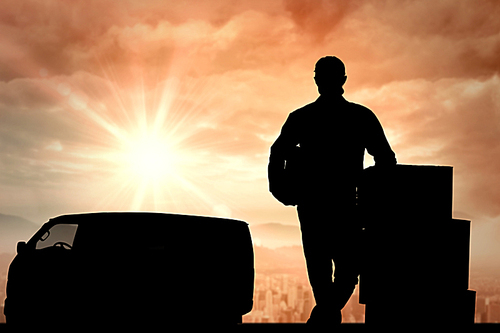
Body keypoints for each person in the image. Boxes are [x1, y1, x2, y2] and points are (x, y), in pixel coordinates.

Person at [268, 56, 396, 325]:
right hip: (345, 206)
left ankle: (323, 317)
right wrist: (370, 203)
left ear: (316, 80)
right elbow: (386, 161)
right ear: (343, 81)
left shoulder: (302, 117)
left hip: (317, 207)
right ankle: (326, 317)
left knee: (322, 272)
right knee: (344, 272)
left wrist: (282, 191)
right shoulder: (360, 116)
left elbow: (277, 152)